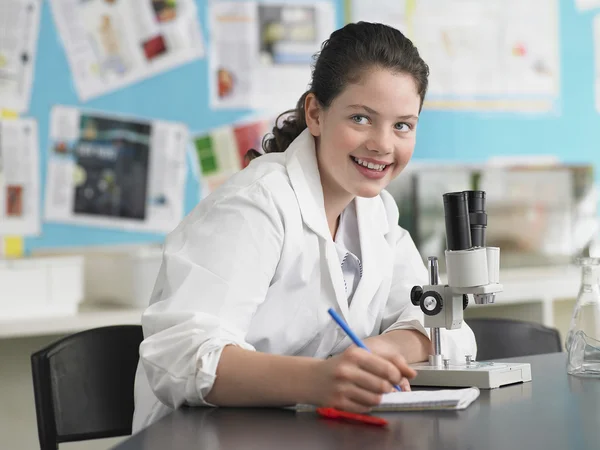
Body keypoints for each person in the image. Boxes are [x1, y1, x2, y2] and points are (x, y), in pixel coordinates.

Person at [132, 21, 476, 432]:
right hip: (200, 435)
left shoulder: (376, 212)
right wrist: (320, 379)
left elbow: (446, 331)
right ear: (315, 113)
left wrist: (373, 353)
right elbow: (180, 356)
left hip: (301, 433)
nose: (383, 144)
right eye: (362, 119)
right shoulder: (254, 205)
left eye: (402, 125)